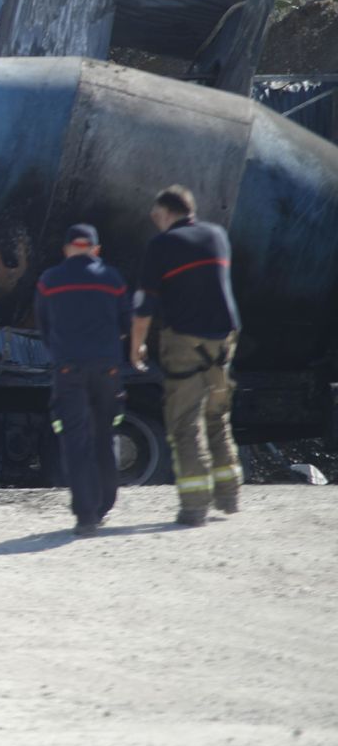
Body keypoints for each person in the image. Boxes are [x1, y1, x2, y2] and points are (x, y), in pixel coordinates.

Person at [129, 185, 242, 526]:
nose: (155, 223)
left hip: (186, 342)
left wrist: (137, 346)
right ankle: (229, 494)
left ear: (165, 213)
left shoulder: (162, 245)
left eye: (155, 217)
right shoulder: (217, 235)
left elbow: (144, 305)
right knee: (216, 416)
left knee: (184, 422)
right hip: (223, 343)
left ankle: (194, 506)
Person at [35, 224, 131, 535]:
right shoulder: (112, 278)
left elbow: (44, 327)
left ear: (66, 249)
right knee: (104, 434)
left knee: (76, 441)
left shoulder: (49, 280)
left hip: (68, 370)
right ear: (96, 249)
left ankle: (86, 516)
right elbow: (125, 323)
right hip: (108, 370)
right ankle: (105, 504)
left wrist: (61, 356)